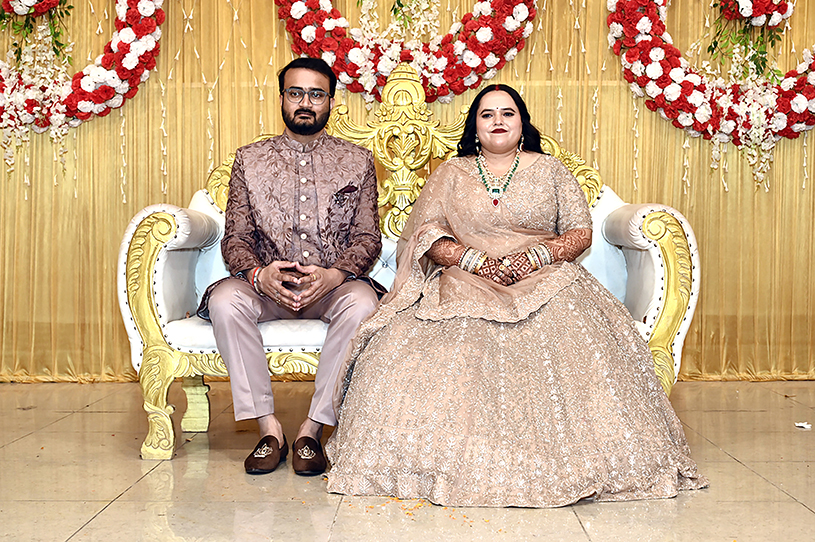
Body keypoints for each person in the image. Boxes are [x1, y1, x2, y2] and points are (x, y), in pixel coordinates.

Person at [324, 84, 708, 507]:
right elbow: (425, 232)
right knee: (421, 347)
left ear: (522, 121)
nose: (498, 121)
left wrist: (537, 256)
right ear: (474, 126)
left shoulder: (549, 170)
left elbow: (580, 231)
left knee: (569, 330)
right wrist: (471, 260)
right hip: (466, 279)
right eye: (487, 115)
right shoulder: (451, 174)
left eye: (507, 112)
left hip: (544, 278)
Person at [197, 58, 381, 476]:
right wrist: (260, 276)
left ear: (331, 102)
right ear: (281, 98)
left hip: (330, 286)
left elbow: (369, 238)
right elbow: (236, 238)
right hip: (268, 288)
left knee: (363, 302)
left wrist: (335, 275)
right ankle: (269, 430)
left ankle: (312, 430)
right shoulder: (249, 160)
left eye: (316, 94)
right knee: (226, 300)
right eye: (295, 92)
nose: (305, 103)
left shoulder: (357, 161)